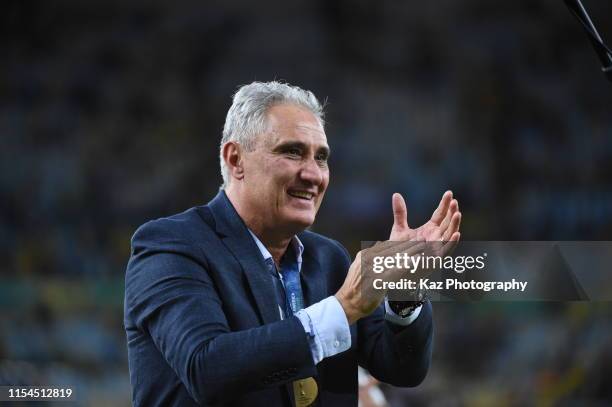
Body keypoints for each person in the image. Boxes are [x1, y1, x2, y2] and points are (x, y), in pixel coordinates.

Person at [124, 81, 462, 406]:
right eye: (292, 152)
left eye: (321, 157)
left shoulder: (328, 259)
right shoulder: (171, 246)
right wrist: (344, 307)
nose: (314, 174)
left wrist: (405, 290)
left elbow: (402, 369)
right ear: (235, 159)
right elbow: (206, 369)